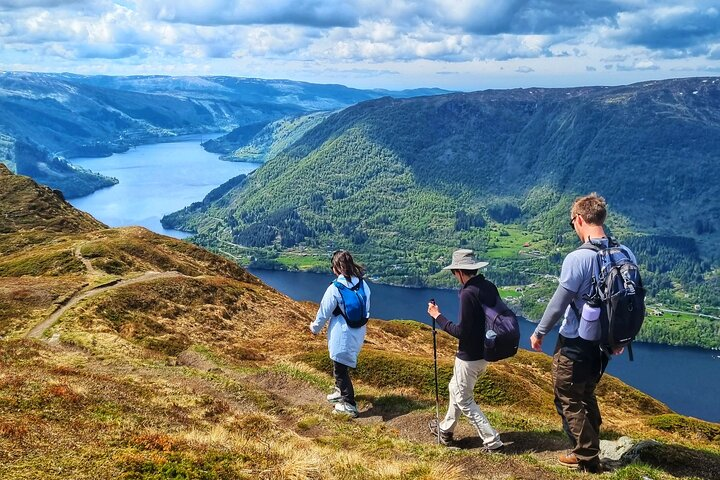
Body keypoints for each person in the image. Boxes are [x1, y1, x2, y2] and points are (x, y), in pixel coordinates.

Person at [530, 193, 635, 473]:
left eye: (571, 223)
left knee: (567, 395)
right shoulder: (625, 254)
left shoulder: (578, 258)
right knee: (586, 393)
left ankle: (587, 456)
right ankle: (591, 444)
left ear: (578, 219)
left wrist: (539, 332)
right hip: (603, 345)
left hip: (575, 341)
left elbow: (558, 304)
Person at [426, 249, 504, 451]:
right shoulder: (488, 287)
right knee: (455, 388)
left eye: (454, 273)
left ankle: (492, 441)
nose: (454, 277)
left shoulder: (468, 293)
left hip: (469, 357)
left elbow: (462, 331)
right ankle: (446, 430)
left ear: (460, 272)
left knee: (464, 399)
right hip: (486, 351)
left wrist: (437, 316)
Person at [310, 250, 371, 418]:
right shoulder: (362, 285)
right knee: (340, 365)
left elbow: (324, 312)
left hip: (342, 334)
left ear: (337, 267)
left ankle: (349, 404)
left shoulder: (335, 288)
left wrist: (314, 328)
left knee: (340, 370)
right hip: (358, 332)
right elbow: (366, 310)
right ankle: (339, 392)